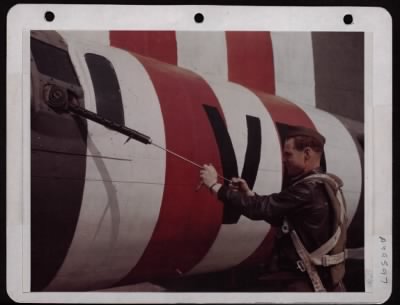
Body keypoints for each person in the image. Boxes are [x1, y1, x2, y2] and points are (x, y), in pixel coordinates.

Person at [200, 126, 347, 292]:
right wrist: (249, 194)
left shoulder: (307, 189)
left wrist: (215, 186)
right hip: (325, 281)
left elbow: (262, 209)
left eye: (288, 154)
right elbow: (280, 215)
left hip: (307, 284)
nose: (283, 160)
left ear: (306, 154)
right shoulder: (326, 184)